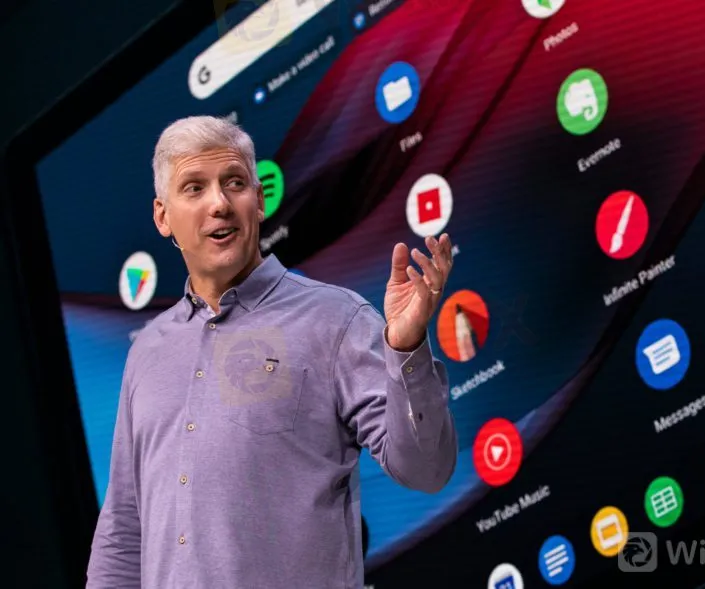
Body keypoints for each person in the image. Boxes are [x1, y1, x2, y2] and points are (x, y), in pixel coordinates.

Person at [85, 115, 458, 589]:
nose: (219, 203)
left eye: (234, 183)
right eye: (195, 188)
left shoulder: (335, 319)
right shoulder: (146, 353)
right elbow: (123, 529)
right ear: (163, 217)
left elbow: (426, 470)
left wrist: (405, 348)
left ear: (259, 200)